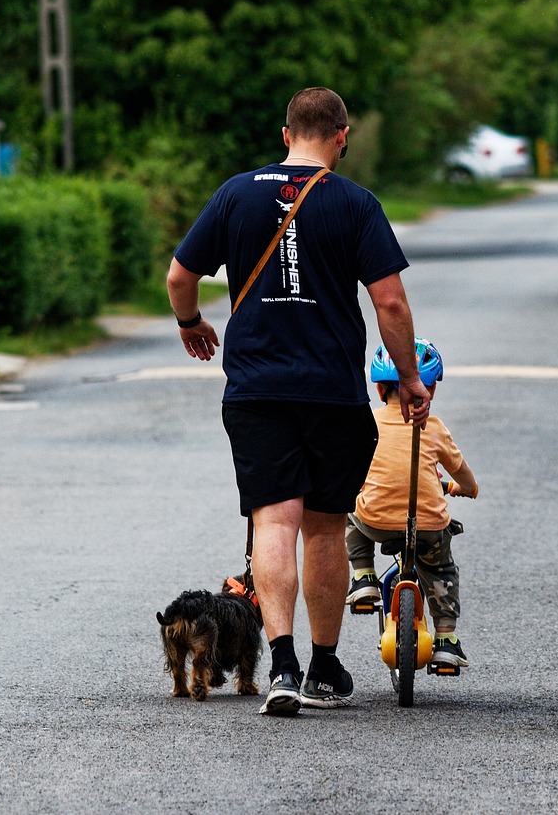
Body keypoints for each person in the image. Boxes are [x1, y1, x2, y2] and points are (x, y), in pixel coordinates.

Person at [166, 87, 431, 716]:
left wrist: (191, 323)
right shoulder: (357, 204)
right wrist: (410, 379)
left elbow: (181, 277)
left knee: (273, 521)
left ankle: (279, 664)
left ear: (286, 134)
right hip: (332, 394)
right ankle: (323, 665)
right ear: (341, 136)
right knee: (324, 528)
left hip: (257, 391)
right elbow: (389, 303)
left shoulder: (235, 193)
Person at [346, 339, 479, 667]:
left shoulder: (368, 421)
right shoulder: (433, 427)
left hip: (374, 520)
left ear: (379, 389)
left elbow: (349, 467)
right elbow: (461, 473)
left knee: (349, 511)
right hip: (429, 527)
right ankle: (446, 640)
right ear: (429, 391)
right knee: (441, 569)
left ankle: (364, 578)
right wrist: (466, 488)